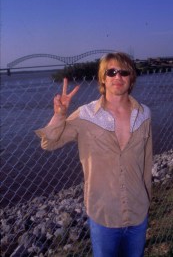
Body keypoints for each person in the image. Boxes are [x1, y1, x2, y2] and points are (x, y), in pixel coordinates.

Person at [35, 52, 153, 257]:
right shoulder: (85, 115)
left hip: (138, 212)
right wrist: (59, 115)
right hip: (103, 215)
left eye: (124, 72)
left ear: (131, 78)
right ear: (103, 78)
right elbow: (49, 142)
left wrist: (147, 200)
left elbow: (146, 161)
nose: (118, 77)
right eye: (111, 72)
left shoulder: (144, 114)